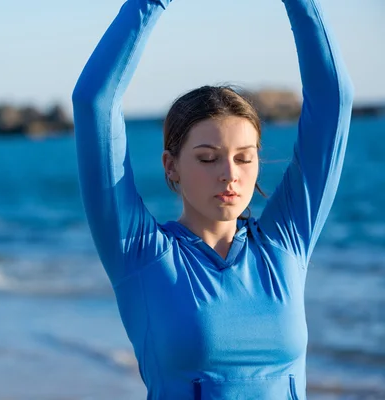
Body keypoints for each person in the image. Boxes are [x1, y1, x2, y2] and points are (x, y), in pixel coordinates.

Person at [71, 0, 354, 399]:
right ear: (172, 166)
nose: (230, 174)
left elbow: (333, 104)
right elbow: (93, 103)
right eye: (207, 158)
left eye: (244, 158)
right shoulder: (140, 253)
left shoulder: (286, 242)